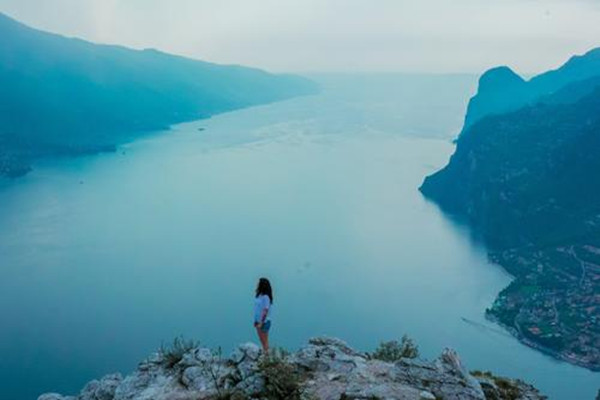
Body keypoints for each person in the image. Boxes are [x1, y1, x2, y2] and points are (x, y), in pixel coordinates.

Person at [254, 277, 273, 354]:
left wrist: (261, 322)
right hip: (258, 321)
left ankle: (267, 357)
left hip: (264, 322)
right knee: (262, 340)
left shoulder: (266, 297)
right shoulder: (259, 296)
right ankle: (266, 355)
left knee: (264, 341)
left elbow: (265, 310)